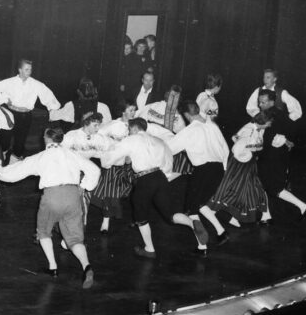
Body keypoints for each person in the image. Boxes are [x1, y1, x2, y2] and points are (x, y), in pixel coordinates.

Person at [0, 126, 99, 288]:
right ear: (61, 139)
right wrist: (84, 186)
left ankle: (53, 267)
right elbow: (94, 170)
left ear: (46, 139)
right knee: (74, 238)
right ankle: (87, 266)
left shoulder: (41, 157)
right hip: (73, 195)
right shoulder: (72, 154)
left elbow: (14, 173)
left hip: (52, 196)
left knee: (43, 231)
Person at [100, 118, 210, 258]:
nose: (128, 132)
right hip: (160, 177)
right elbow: (169, 160)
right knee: (170, 214)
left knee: (140, 215)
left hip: (144, 179)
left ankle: (149, 249)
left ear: (134, 129)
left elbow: (109, 158)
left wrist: (105, 160)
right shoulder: (159, 141)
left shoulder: (131, 139)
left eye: (129, 130)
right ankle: (192, 223)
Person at [167, 101, 230, 254]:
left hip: (203, 170)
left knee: (191, 209)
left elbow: (170, 148)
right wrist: (223, 169)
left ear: (187, 115)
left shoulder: (190, 130)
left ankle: (202, 246)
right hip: (218, 169)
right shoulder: (212, 126)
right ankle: (222, 232)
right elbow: (226, 150)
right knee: (200, 203)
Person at [202, 112, 273, 239]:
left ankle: (233, 216)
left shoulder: (255, 128)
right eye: (269, 122)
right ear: (263, 122)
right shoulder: (250, 130)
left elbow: (234, 137)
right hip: (241, 164)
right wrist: (244, 155)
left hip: (248, 163)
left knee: (248, 188)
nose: (270, 125)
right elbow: (236, 147)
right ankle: (213, 212)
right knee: (235, 188)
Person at [0, 59, 61, 163]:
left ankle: (14, 165)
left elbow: (48, 96)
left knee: (20, 141)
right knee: (5, 139)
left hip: (25, 115)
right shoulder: (10, 82)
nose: (29, 72)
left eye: (30, 69)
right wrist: (4, 99)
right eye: (26, 69)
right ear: (20, 70)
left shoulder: (35, 84)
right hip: (11, 113)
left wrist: (53, 108)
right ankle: (0, 158)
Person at [255, 92, 306, 218]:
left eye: (263, 102)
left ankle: (267, 216)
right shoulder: (282, 114)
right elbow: (289, 133)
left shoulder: (268, 116)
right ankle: (303, 207)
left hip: (270, 157)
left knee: (265, 185)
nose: (260, 105)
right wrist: (287, 142)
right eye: (259, 102)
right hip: (280, 156)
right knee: (271, 187)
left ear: (272, 102)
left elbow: (267, 139)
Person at [61, 113, 114, 227]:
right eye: (95, 125)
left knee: (84, 202)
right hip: (70, 172)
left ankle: (81, 230)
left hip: (88, 172)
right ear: (86, 123)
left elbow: (111, 149)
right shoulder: (72, 136)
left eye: (99, 125)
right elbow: (60, 154)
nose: (98, 128)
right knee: (67, 202)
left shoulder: (99, 138)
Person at [94, 103, 140, 233]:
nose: (133, 112)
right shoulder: (113, 124)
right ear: (123, 111)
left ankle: (138, 219)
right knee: (110, 192)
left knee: (136, 191)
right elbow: (98, 135)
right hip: (114, 163)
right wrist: (110, 146)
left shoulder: (136, 125)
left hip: (131, 164)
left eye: (134, 110)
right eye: (130, 110)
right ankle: (105, 221)